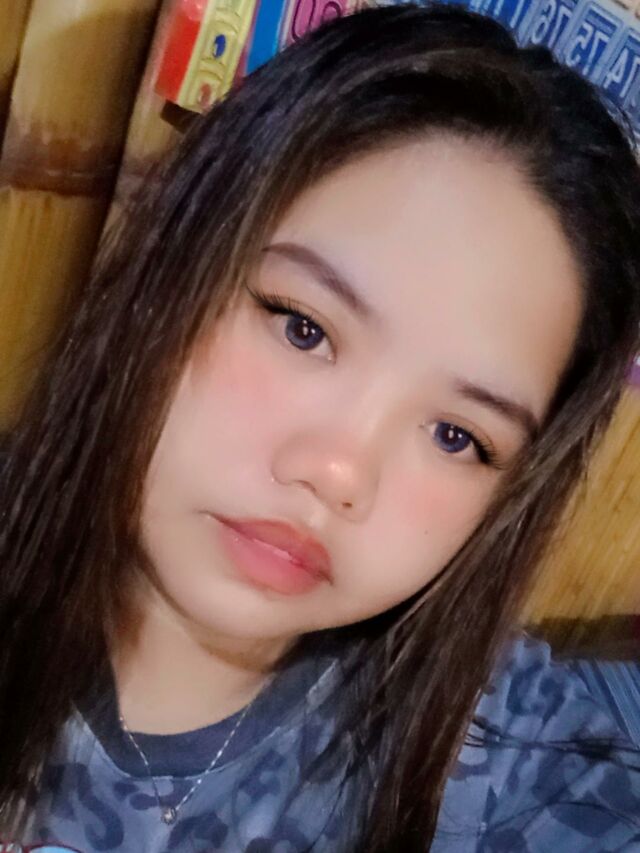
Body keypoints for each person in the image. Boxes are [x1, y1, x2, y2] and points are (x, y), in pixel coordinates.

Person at [0, 3, 639, 851]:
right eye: (304, 328)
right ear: (177, 262)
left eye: (457, 436)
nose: (339, 472)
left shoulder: (505, 772)